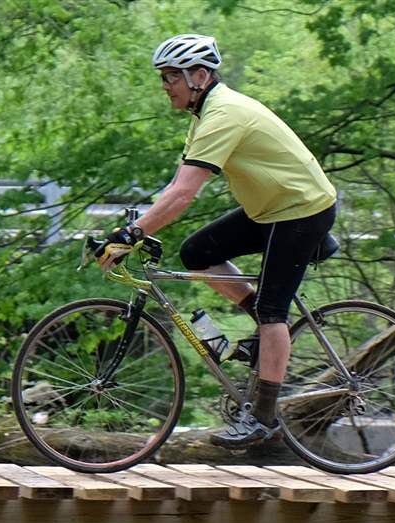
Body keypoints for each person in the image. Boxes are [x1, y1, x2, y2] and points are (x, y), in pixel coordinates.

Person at [97, 33, 338, 448]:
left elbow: (185, 193)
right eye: (163, 77)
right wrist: (138, 228)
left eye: (171, 76)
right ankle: (262, 335)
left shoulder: (225, 113)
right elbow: (177, 182)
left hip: (301, 210)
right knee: (196, 253)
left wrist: (131, 235)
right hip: (270, 208)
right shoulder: (204, 115)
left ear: (200, 75)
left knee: (272, 311)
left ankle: (263, 417)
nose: (165, 85)